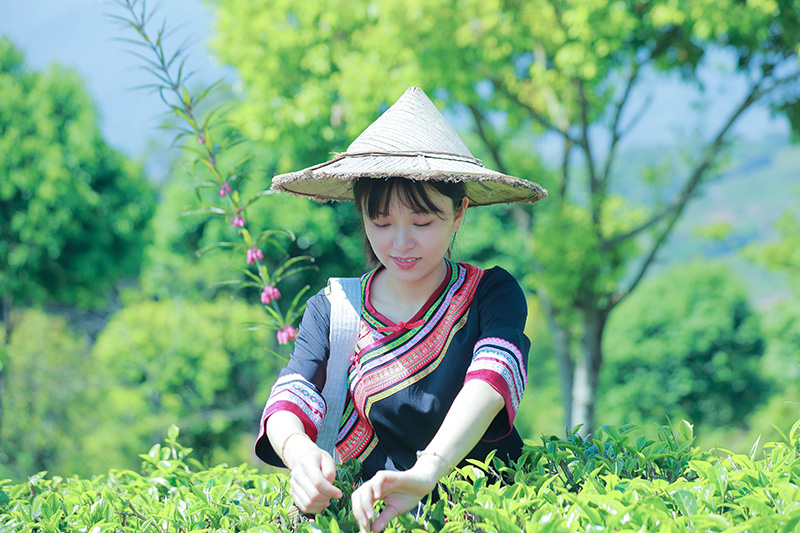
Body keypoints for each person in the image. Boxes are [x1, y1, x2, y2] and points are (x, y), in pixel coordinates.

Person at [254, 86, 547, 532]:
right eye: (382, 223)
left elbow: (489, 384)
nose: (401, 243)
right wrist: (299, 456)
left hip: (491, 515)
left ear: (460, 212)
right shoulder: (333, 309)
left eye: (423, 222)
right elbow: (289, 400)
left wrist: (427, 471)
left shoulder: (491, 293)